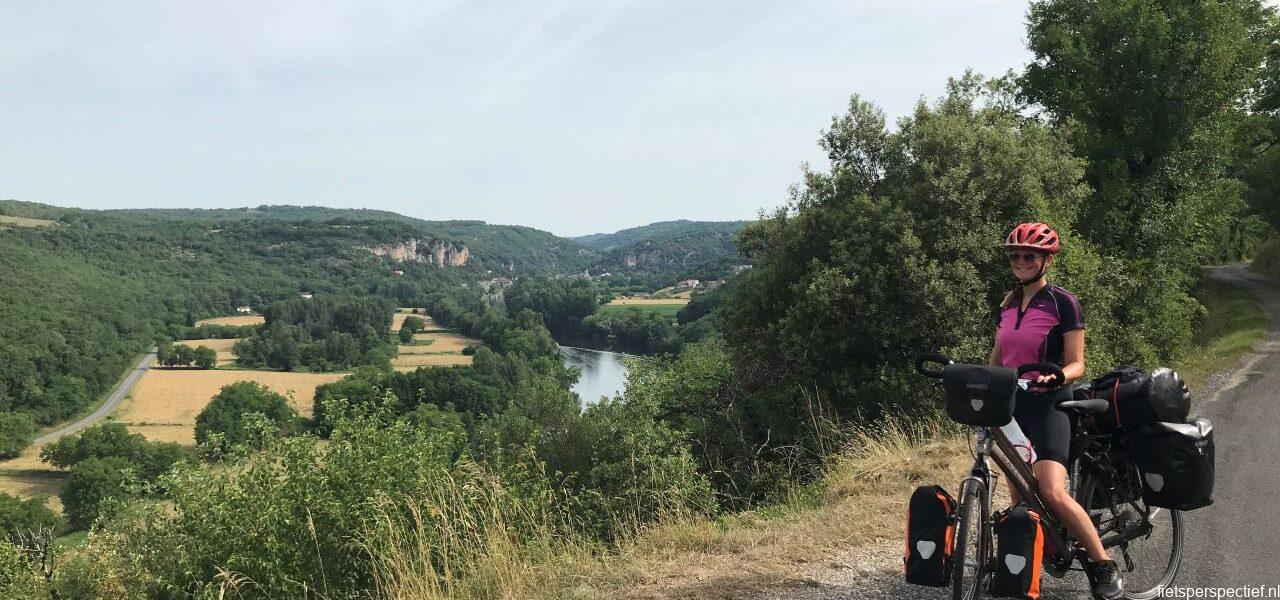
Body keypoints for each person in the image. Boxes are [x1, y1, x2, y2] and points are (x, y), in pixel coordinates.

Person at [987, 222, 1123, 600]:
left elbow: (1077, 362)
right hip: (1013, 408)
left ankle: (1102, 564)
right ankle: (1026, 569)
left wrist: (1057, 374)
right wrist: (982, 382)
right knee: (1019, 497)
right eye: (1014, 255)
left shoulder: (1063, 302)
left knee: (1050, 490)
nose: (1020, 261)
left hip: (1049, 404)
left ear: (1046, 259)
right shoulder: (1007, 303)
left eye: (1029, 255)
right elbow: (998, 359)